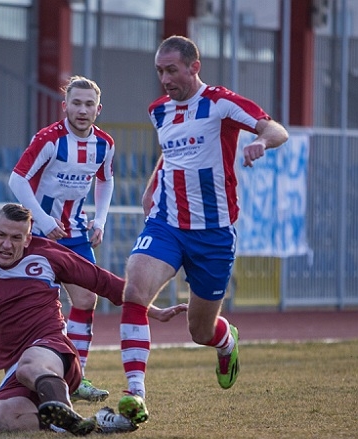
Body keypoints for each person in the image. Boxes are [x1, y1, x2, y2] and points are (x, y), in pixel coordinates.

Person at [119, 36, 289, 408]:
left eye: (172, 70)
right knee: (135, 291)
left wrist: (261, 143)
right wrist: (151, 188)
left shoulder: (220, 103)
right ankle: (135, 392)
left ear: (194, 67)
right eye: (160, 71)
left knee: (199, 331)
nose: (165, 79)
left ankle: (226, 341)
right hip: (166, 224)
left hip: (213, 233)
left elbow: (276, 129)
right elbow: (171, 153)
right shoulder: (158, 111)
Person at [0, 203, 186, 436]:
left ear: (28, 239)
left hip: (53, 351)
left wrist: (151, 310)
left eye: (16, 238)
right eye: (1, 235)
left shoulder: (47, 254)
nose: (7, 245)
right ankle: (93, 423)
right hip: (16, 369)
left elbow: (103, 281)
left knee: (29, 365)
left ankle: (64, 410)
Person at [0, 75, 117, 405]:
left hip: (75, 234)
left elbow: (106, 180)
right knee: (18, 308)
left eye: (89, 104)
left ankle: (76, 376)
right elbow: (17, 179)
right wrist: (44, 221)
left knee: (86, 300)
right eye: (76, 103)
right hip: (37, 234)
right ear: (65, 106)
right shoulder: (49, 139)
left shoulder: (104, 144)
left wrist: (101, 219)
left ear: (98, 109)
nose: (82, 110)